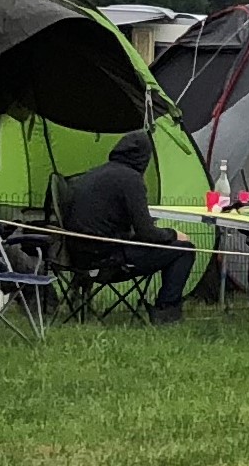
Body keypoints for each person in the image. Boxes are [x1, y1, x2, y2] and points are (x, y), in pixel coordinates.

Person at [63, 130, 188, 323]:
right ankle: (166, 310)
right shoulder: (131, 180)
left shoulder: (94, 173)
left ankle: (166, 310)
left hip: (79, 259)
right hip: (107, 261)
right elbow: (147, 233)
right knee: (184, 250)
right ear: (144, 157)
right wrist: (173, 234)